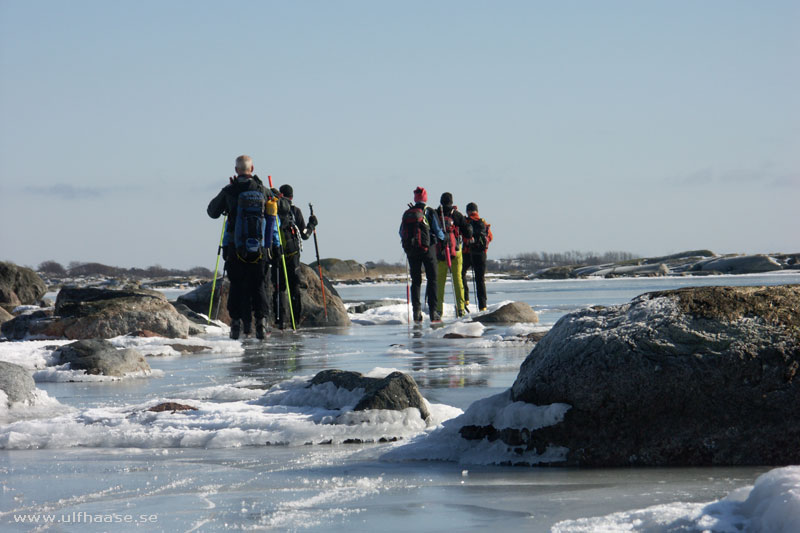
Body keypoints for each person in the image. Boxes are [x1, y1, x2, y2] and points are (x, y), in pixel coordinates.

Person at [207, 155, 279, 340]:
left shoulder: (230, 190)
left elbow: (212, 212)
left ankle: (236, 324)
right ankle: (261, 323)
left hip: (234, 248)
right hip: (261, 248)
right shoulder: (264, 191)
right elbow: (279, 213)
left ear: (236, 170)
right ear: (252, 169)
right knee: (259, 285)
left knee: (237, 285)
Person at [271, 183, 318, 329]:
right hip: (293, 255)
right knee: (294, 288)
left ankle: (279, 321)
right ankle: (295, 321)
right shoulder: (294, 211)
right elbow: (304, 235)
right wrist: (312, 225)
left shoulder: (272, 209)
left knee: (279, 288)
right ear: (291, 196)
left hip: (276, 254)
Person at [400, 186, 445, 323]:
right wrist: (444, 238)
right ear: (425, 198)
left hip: (412, 251)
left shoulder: (408, 213)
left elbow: (401, 231)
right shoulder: (430, 212)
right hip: (428, 249)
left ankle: (416, 312)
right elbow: (438, 232)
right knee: (432, 279)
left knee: (416, 281)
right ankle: (433, 312)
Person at [434, 192, 472, 318]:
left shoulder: (435, 214)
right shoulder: (456, 214)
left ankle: (438, 309)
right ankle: (460, 308)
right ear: (451, 202)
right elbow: (467, 231)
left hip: (440, 252)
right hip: (455, 251)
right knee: (458, 280)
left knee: (440, 282)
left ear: (441, 202)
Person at [461, 202, 493, 311]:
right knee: (480, 280)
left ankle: (465, 298)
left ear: (468, 211)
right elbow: (490, 237)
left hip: (467, 253)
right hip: (481, 254)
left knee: (461, 274)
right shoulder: (483, 223)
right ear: (477, 211)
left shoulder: (466, 222)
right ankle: (483, 306)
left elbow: (463, 236)